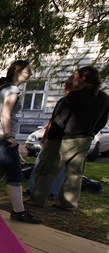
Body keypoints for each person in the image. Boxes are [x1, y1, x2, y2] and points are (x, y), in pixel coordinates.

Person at [28, 66, 109, 209]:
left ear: (83, 79)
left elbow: (60, 119)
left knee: (47, 169)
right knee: (75, 173)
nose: (74, 79)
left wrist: (51, 137)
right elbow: (102, 121)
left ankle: (37, 199)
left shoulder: (74, 97)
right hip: (85, 140)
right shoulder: (103, 98)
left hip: (64, 139)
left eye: (76, 76)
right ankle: (67, 203)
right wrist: (90, 132)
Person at [0, 60, 42, 224]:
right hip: (1, 138)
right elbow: (5, 114)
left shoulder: (1, 88)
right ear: (16, 71)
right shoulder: (12, 89)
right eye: (27, 71)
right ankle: (19, 211)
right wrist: (8, 136)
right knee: (15, 174)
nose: (30, 74)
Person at [26, 75, 74, 198]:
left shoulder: (68, 101)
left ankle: (43, 192)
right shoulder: (66, 101)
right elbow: (52, 121)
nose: (65, 87)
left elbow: (54, 122)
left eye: (67, 84)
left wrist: (47, 137)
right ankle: (39, 190)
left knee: (48, 165)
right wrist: (44, 137)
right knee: (47, 164)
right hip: (60, 138)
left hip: (59, 139)